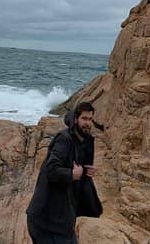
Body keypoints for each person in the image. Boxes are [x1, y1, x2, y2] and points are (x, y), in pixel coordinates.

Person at [26, 102, 103, 243]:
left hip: (61, 219)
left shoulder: (82, 142)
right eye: (84, 119)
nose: (88, 123)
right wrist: (72, 175)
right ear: (75, 119)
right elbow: (52, 170)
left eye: (90, 119)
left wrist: (86, 171)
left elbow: (73, 165)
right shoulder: (64, 139)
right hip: (46, 220)